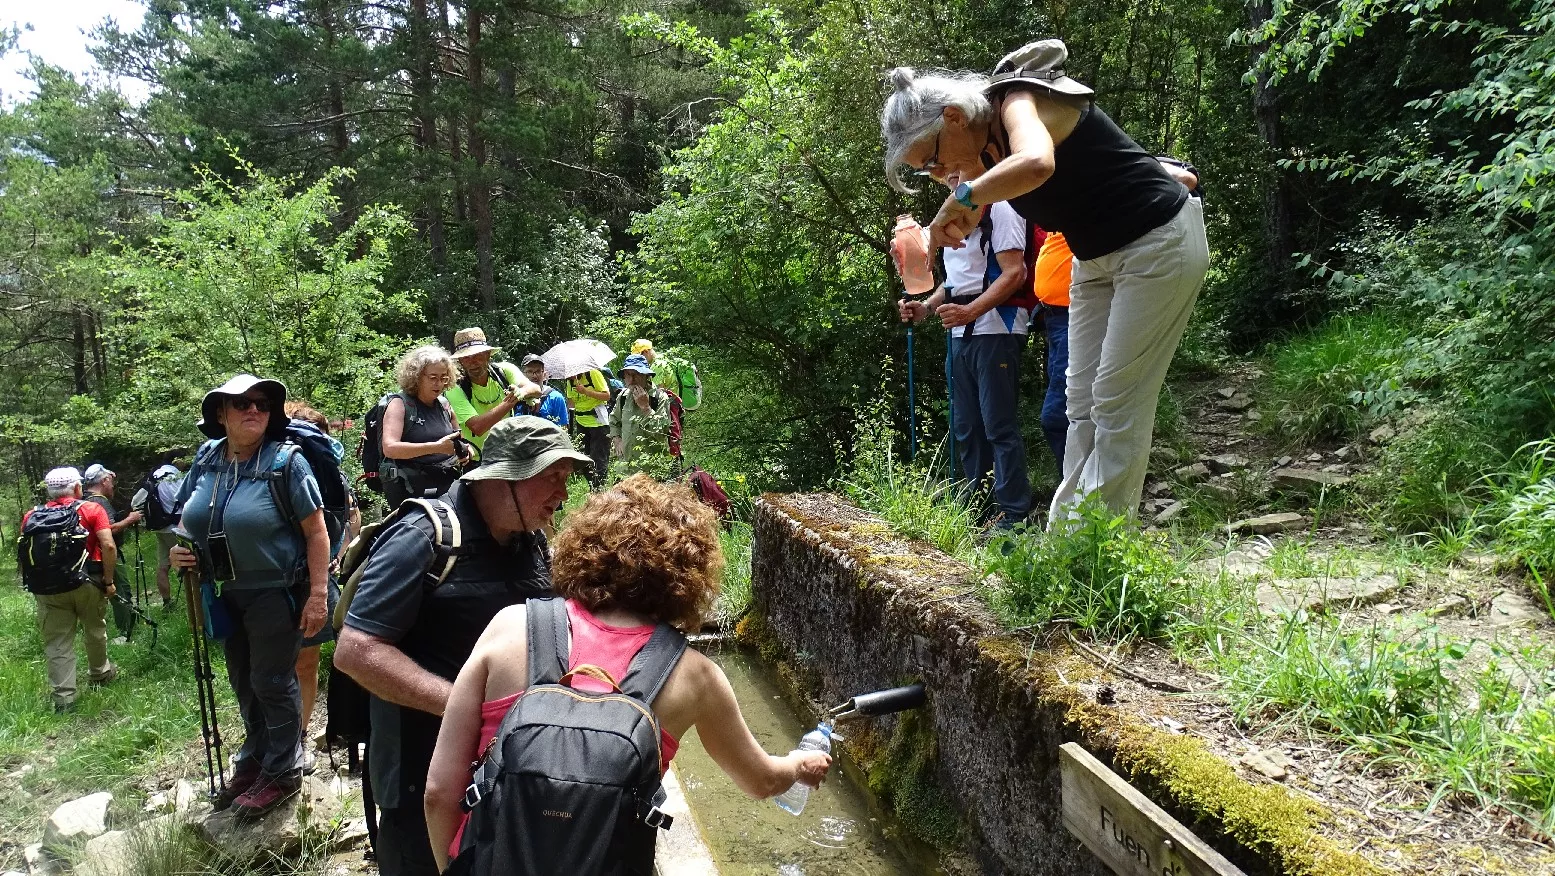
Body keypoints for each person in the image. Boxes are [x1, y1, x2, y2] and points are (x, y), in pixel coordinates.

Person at [424, 475, 831, 873]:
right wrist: (799, 764)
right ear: (689, 576)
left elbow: (439, 794)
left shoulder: (510, 627)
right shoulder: (696, 676)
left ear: (585, 546)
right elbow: (760, 780)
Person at [882, 39, 1209, 521]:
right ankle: (1073, 533)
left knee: (1116, 401)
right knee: (1079, 403)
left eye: (932, 159)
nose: (937, 174)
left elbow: (1037, 163)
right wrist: (954, 223)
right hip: (1094, 258)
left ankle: (1094, 549)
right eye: (926, 171)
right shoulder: (983, 160)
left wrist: (966, 199)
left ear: (954, 116)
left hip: (1157, 242)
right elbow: (989, 198)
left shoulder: (1016, 101)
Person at [335, 416, 588, 876]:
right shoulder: (422, 537)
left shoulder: (529, 542)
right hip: (420, 775)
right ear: (507, 475)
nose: (563, 494)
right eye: (551, 478)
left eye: (566, 479)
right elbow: (357, 650)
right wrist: (467, 710)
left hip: (503, 770)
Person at [168, 374, 332, 817]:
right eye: (240, 403)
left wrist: (318, 595)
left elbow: (316, 532)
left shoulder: (286, 461)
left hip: (276, 591)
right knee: (243, 679)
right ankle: (256, 759)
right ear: (220, 414)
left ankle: (283, 770)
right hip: (223, 590)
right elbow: (185, 518)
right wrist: (181, 551)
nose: (252, 409)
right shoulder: (207, 459)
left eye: (261, 403)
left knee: (272, 681)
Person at [899, 200, 1033, 527]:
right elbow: (956, 281)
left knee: (997, 424)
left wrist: (970, 311)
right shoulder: (952, 215)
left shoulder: (1002, 207)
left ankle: (1014, 514)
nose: (949, 174)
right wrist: (927, 308)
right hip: (960, 331)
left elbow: (1016, 272)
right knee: (967, 426)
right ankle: (978, 507)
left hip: (998, 326)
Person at [286, 401, 363, 761]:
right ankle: (289, 736)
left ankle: (295, 737)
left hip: (312, 576)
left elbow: (350, 516)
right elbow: (353, 520)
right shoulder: (291, 468)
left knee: (303, 660)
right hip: (306, 576)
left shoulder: (325, 472)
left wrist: (334, 556)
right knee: (302, 662)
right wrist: (339, 556)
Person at [20, 467, 118, 713]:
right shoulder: (91, 509)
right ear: (77, 488)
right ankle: (100, 674)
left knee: (58, 642)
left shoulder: (32, 515)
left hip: (47, 588)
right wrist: (108, 581)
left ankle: (64, 699)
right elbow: (108, 545)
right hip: (87, 582)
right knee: (95, 629)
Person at [381, 345, 469, 508]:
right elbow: (390, 448)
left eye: (443, 377)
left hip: (446, 485)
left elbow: (459, 438)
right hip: (409, 490)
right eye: (433, 377)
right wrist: (436, 448)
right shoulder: (400, 404)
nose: (439, 384)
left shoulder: (444, 404)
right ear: (416, 376)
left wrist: (464, 451)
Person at [443, 327, 541, 456]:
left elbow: (536, 389)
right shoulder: (454, 387)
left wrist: (522, 393)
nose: (473, 362)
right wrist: (510, 402)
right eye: (466, 358)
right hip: (477, 459)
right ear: (460, 361)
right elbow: (478, 427)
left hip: (509, 453)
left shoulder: (504, 371)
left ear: (487, 355)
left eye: (477, 355)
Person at [81, 464, 145, 635]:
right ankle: (127, 632)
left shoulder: (84, 499)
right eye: (111, 481)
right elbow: (108, 530)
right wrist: (130, 519)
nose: (113, 485)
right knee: (121, 591)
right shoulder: (99, 501)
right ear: (104, 481)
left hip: (90, 556)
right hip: (107, 555)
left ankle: (128, 628)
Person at [1031, 231, 1074, 471]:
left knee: (1058, 416)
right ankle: (1079, 494)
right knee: (1064, 414)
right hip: (1055, 318)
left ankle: (1080, 495)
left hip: (1077, 316)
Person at [133, 455, 186, 608]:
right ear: (176, 461)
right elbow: (184, 499)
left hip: (160, 527)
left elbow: (137, 500)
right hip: (175, 527)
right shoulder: (173, 475)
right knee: (187, 566)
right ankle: (193, 603)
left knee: (163, 566)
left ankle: (167, 603)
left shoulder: (155, 475)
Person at [610, 354, 678, 469]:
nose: (631, 380)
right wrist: (617, 440)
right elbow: (614, 421)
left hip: (652, 470)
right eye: (628, 374)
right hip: (625, 469)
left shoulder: (659, 398)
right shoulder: (623, 396)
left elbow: (661, 433)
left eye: (636, 374)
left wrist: (646, 408)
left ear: (646, 376)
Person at [564, 367, 611, 491]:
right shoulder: (569, 381)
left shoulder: (593, 374)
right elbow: (571, 403)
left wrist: (585, 391)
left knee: (598, 458)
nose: (570, 376)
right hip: (581, 422)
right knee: (583, 459)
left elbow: (606, 396)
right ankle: (592, 486)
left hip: (598, 422)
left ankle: (599, 489)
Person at [519, 354, 569, 427]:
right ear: (522, 374)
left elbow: (563, 428)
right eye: (530, 371)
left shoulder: (555, 397)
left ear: (544, 374)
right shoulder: (515, 397)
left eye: (538, 371)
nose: (534, 376)